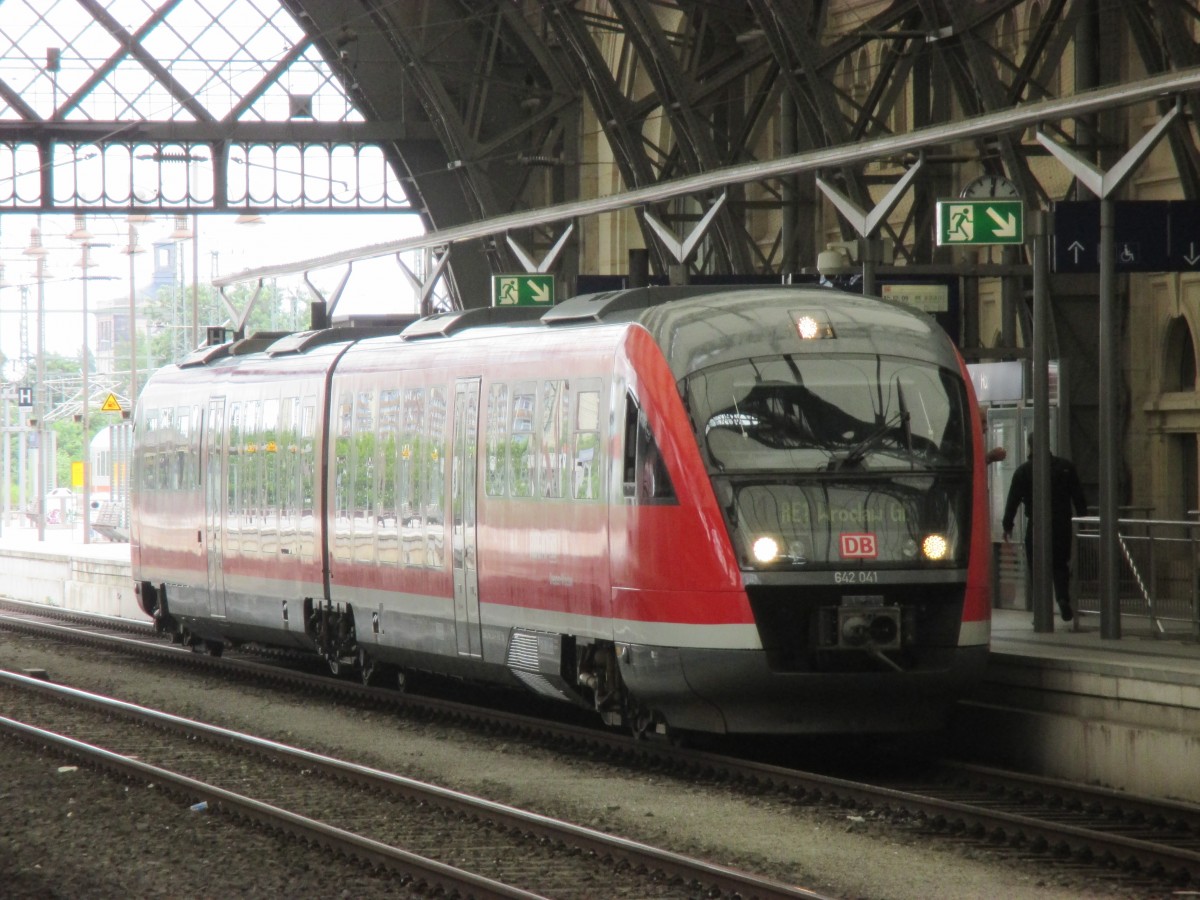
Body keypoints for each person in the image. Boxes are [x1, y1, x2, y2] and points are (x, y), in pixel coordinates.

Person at [1002, 435, 1088, 621]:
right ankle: (1063, 598)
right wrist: (1083, 519)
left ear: (1029, 447)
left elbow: (1013, 502)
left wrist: (1007, 525)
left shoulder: (1023, 472)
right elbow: (1079, 497)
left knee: (1037, 568)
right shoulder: (1065, 467)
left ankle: (1041, 610)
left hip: (1036, 526)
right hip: (1062, 525)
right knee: (1060, 565)